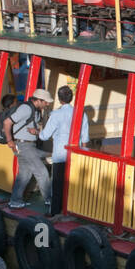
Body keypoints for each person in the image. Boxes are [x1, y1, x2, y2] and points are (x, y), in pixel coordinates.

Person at [37, 85, 88, 216]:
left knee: (58, 185)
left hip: (60, 154)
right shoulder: (80, 113)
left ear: (60, 100)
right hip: (76, 154)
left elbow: (45, 135)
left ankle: (55, 212)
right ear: (71, 98)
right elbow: (85, 137)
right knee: (74, 184)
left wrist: (37, 132)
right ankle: (73, 210)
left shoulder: (56, 114)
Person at [5, 88, 53, 210]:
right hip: (24, 145)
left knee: (25, 174)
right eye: (46, 102)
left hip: (27, 145)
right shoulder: (26, 109)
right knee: (42, 172)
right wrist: (9, 140)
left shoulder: (35, 110)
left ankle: (15, 201)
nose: (47, 104)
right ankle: (50, 201)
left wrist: (36, 131)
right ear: (38, 100)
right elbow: (7, 122)